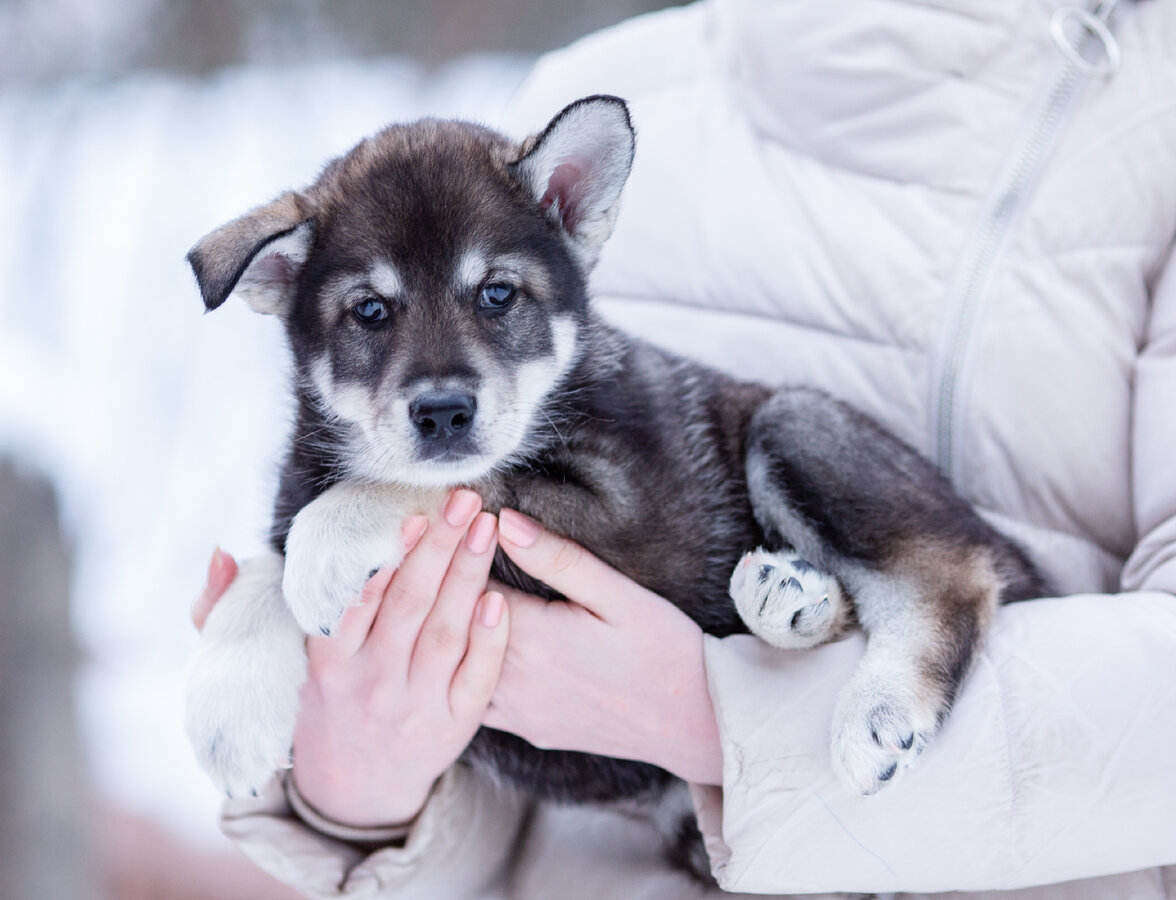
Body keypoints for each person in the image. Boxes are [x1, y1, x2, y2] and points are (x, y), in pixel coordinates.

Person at [190, 1, 1176, 897]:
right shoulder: (593, 96)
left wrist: (721, 721)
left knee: (796, 446)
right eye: (370, 314)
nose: (441, 383)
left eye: (497, 300)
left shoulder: (1151, 103)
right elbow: (496, 819)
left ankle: (910, 608)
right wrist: (363, 793)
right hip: (639, 857)